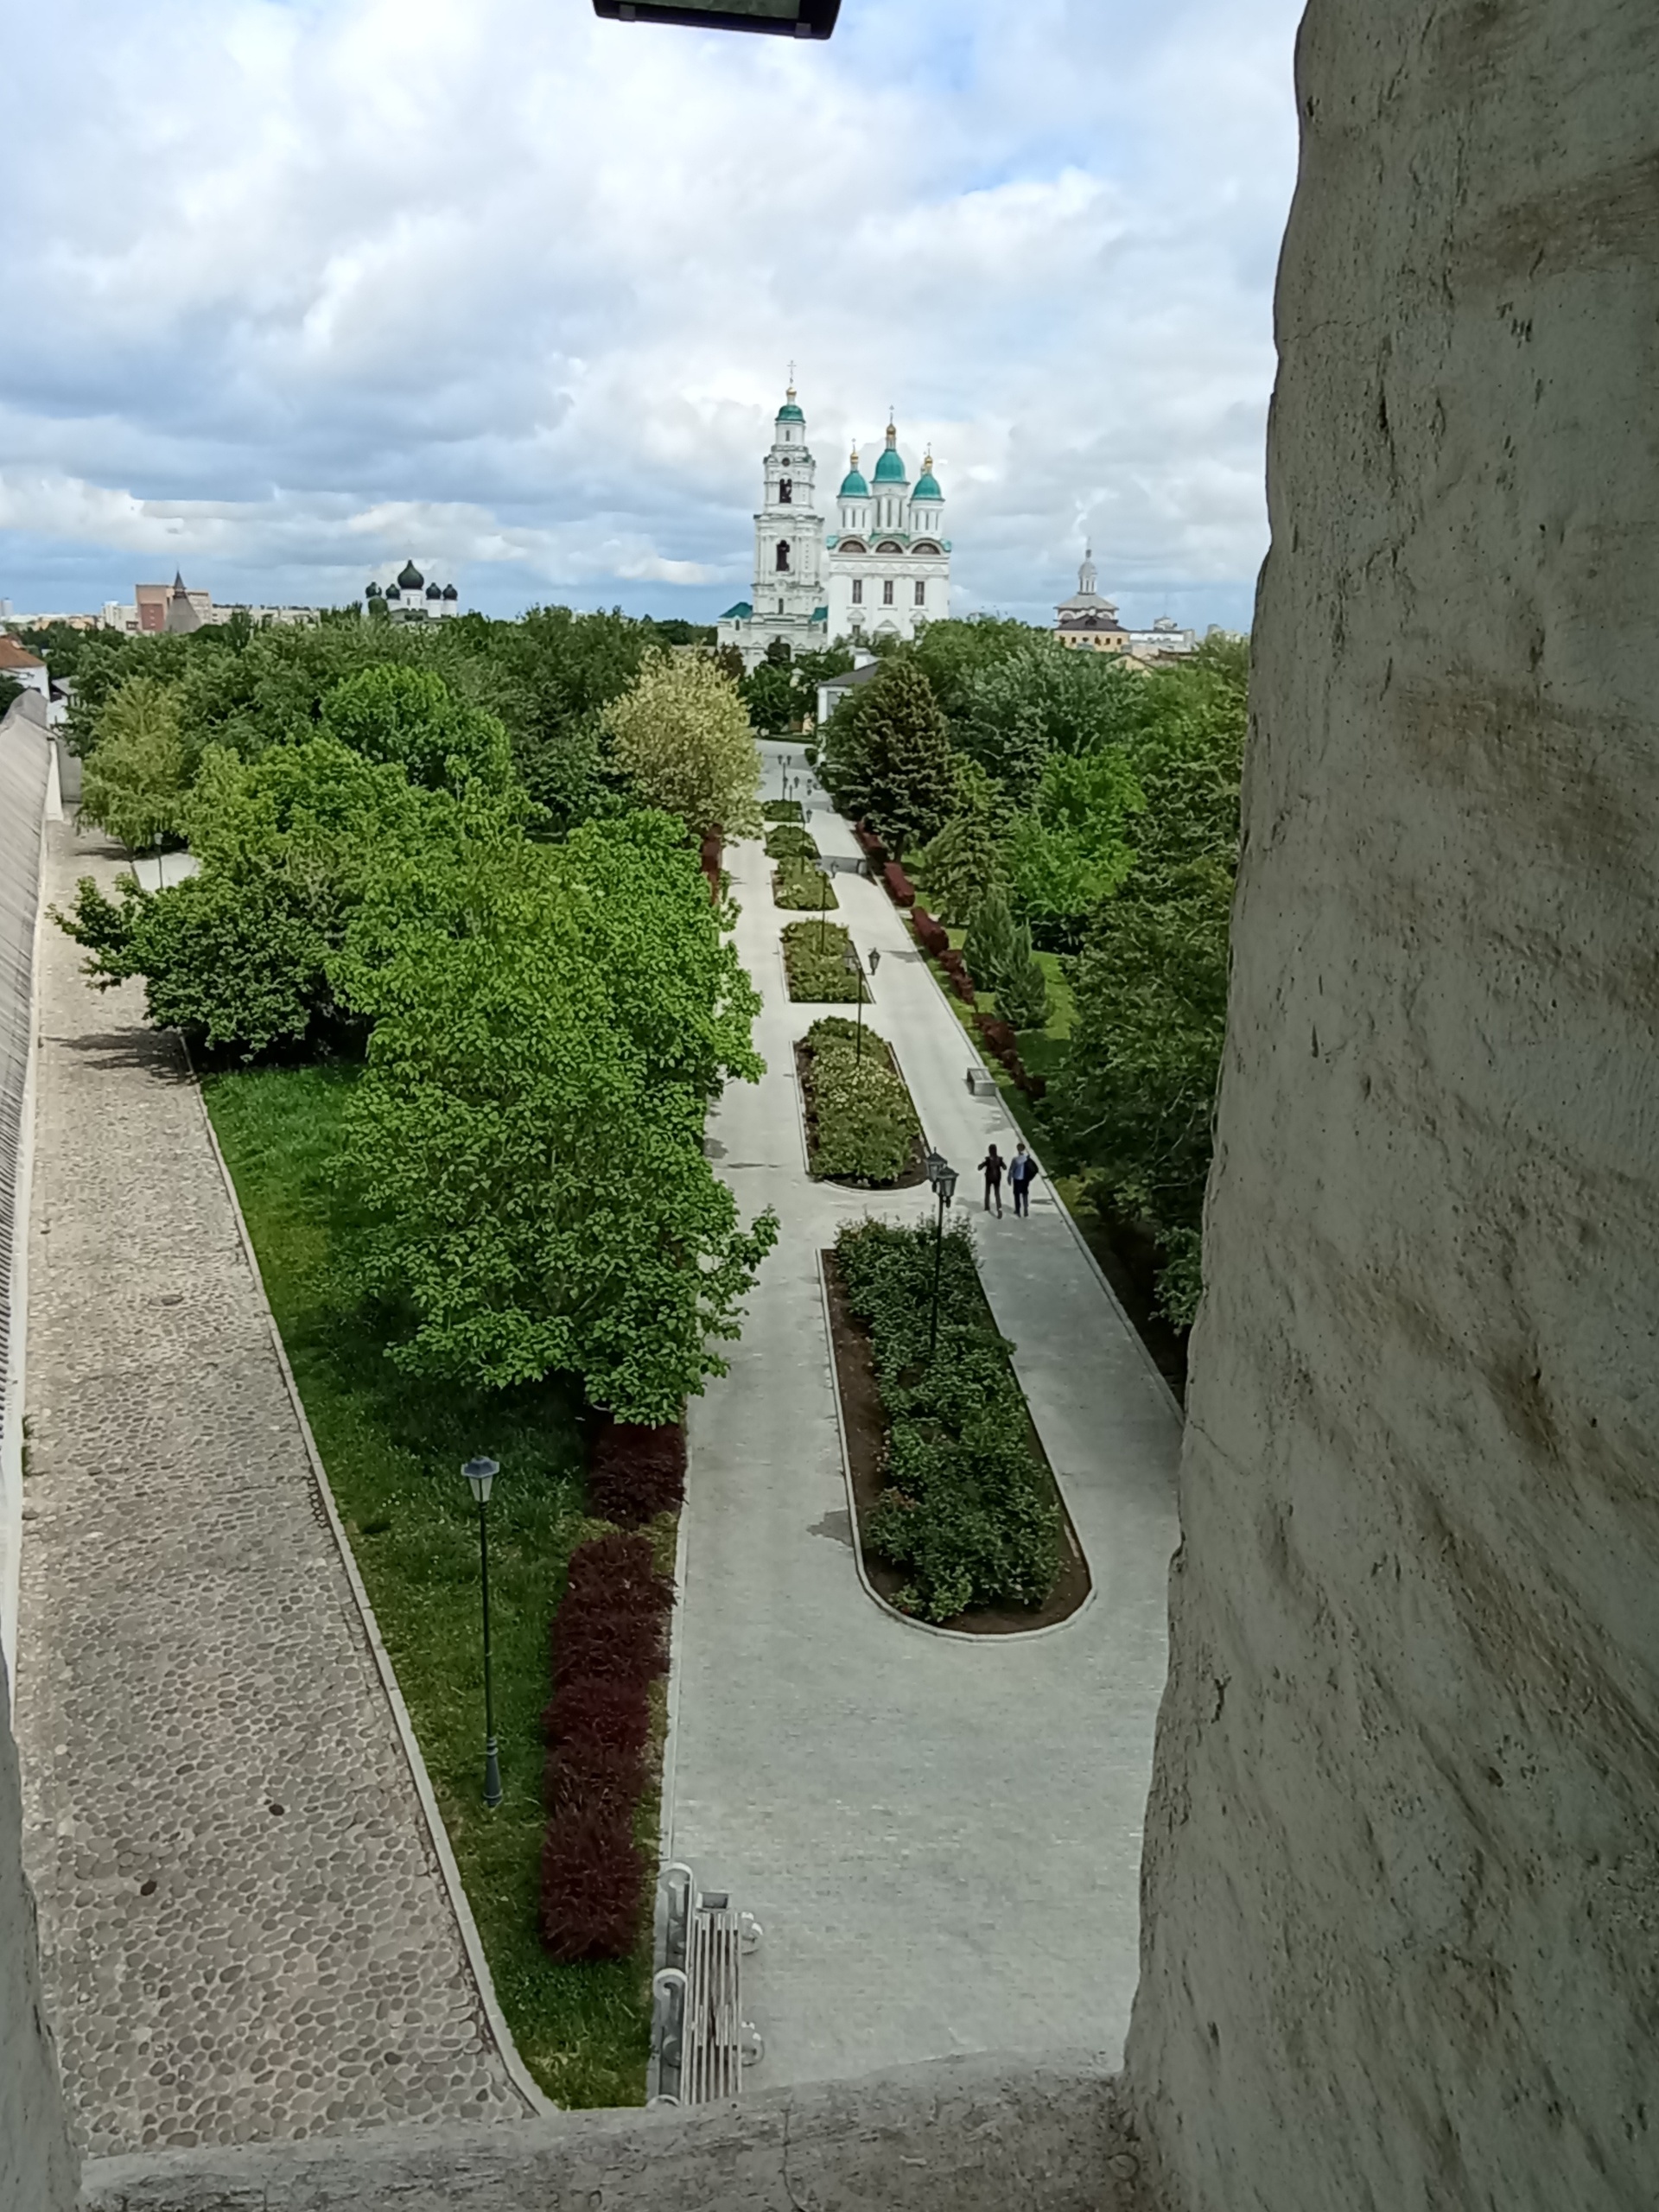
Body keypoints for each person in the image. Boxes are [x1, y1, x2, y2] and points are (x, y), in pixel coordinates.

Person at [1010, 1141, 1039, 1217]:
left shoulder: (1016, 1159)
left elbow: (1011, 1170)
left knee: (1017, 1195)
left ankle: (1018, 1210)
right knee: (1025, 1194)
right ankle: (1026, 1209)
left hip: (1017, 1179)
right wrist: (1030, 1178)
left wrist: (1009, 1178)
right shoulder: (1028, 1159)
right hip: (1025, 1180)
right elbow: (1035, 1169)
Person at [979, 1145, 1005, 1217]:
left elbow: (980, 1167)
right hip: (997, 1179)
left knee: (987, 1192)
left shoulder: (988, 1160)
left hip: (989, 1179)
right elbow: (1005, 1167)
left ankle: (987, 1206)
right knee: (997, 1194)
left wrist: (982, 1164)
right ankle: (999, 1208)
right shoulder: (999, 1159)